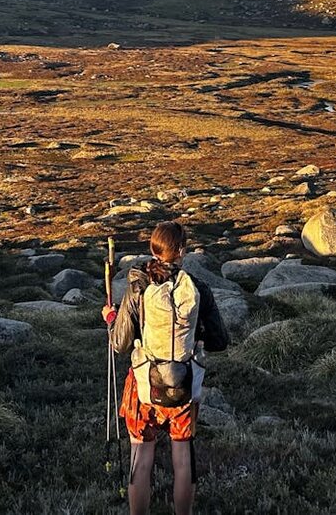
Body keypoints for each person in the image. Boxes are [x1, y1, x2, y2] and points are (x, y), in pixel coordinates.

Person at [102, 220, 229, 515]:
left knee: (141, 457)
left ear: (152, 248)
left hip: (144, 386)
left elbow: (120, 344)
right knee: (183, 458)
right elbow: (219, 341)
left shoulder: (137, 288)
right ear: (182, 251)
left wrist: (110, 318)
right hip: (184, 387)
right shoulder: (198, 289)